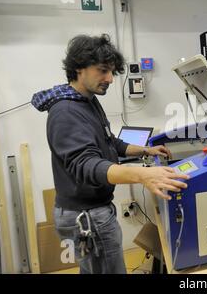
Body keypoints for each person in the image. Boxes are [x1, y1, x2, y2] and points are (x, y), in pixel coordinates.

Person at [31, 34, 189, 274]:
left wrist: (145, 149)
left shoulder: (87, 101)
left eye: (112, 72)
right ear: (78, 68)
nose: (110, 79)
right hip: (87, 217)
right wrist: (143, 176)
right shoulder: (66, 112)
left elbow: (110, 142)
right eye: (103, 70)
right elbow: (88, 166)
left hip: (93, 211)